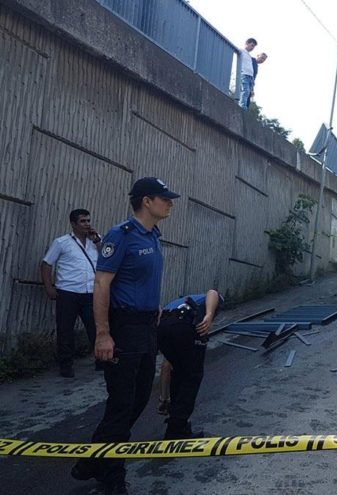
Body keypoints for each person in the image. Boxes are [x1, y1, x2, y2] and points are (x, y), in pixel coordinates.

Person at [71, 177, 179, 495]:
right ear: (146, 201)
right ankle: (112, 477)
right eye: (164, 198)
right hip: (124, 328)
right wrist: (103, 334)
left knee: (140, 398)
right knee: (121, 403)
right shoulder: (122, 235)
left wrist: (154, 307)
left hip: (146, 327)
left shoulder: (153, 235)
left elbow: (141, 280)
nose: (169, 203)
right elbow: (102, 283)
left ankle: (92, 460)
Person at [41, 209, 102, 377]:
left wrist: (97, 241)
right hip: (68, 292)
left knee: (96, 328)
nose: (87, 224)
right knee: (65, 330)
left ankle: (101, 360)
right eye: (83, 221)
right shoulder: (62, 242)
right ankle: (66, 365)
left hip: (90, 292)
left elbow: (107, 257)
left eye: (88, 220)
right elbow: (46, 264)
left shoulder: (95, 241)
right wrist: (49, 287)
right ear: (73, 224)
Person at [156, 290, 223, 439]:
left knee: (179, 373)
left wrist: (164, 398)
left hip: (162, 327)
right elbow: (214, 292)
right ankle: (177, 430)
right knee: (192, 376)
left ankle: (176, 425)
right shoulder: (205, 301)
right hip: (184, 324)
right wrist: (209, 315)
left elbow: (166, 365)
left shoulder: (176, 304)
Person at [238, 37, 258, 109]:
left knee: (248, 93)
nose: (252, 48)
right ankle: (242, 107)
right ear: (247, 43)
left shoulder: (249, 56)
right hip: (244, 74)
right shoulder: (241, 51)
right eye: (252, 45)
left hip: (250, 76)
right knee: (245, 91)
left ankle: (244, 107)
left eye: (254, 46)